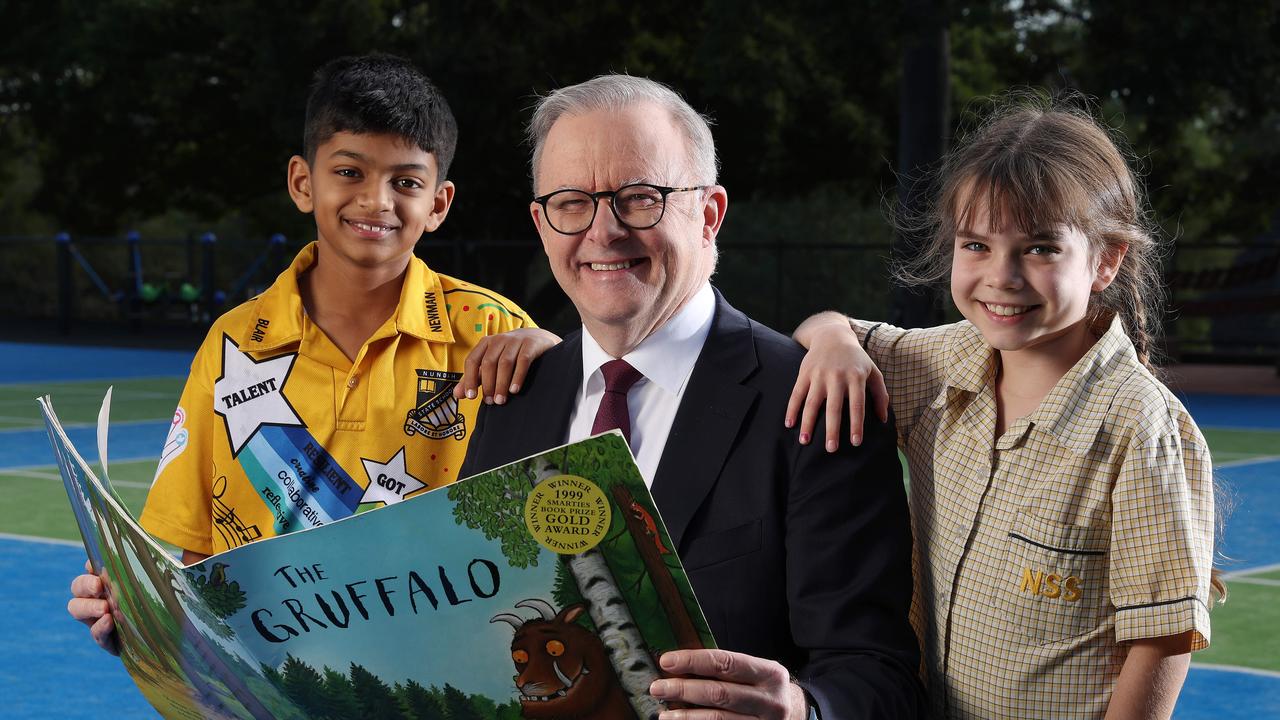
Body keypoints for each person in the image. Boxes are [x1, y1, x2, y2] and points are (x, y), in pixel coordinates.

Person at [457, 75, 923, 719]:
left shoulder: (812, 401)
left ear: (708, 215)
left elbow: (876, 674)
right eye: (572, 203)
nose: (604, 232)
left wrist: (803, 711)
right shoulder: (513, 396)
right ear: (541, 224)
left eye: (639, 198)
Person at [68, 54, 556, 654]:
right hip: (280, 681)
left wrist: (563, 362)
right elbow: (198, 550)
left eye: (405, 182)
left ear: (439, 203)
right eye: (350, 172)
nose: (376, 201)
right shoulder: (233, 344)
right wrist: (137, 621)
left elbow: (563, 515)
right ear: (303, 182)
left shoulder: (491, 329)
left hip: (448, 668)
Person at [787, 97, 1220, 719]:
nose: (1003, 276)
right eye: (976, 245)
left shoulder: (1140, 428)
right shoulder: (936, 364)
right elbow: (825, 325)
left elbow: (1161, 641)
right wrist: (833, 342)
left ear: (1106, 260)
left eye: (1041, 249)